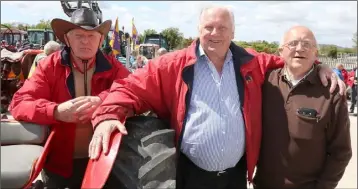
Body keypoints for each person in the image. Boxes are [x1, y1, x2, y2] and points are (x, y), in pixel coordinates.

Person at [89, 6, 344, 189]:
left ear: (233, 32)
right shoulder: (171, 65)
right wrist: (108, 115)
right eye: (208, 27)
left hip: (236, 175)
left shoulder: (252, 62)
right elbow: (129, 88)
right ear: (198, 30)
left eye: (222, 27)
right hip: (190, 174)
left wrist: (320, 66)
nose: (215, 33)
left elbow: (292, 59)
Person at [8, 8, 131, 188]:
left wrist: (102, 101)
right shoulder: (49, 66)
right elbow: (19, 103)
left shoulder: (114, 67)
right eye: (78, 35)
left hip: (107, 162)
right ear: (67, 39)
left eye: (91, 36)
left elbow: (132, 90)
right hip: (58, 165)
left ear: (101, 40)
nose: (85, 41)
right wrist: (56, 111)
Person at [254, 26, 352, 189]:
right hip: (263, 184)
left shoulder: (331, 92)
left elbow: (341, 152)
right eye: (293, 43)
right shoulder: (264, 81)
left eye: (307, 44)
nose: (300, 48)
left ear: (316, 53)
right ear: (280, 51)